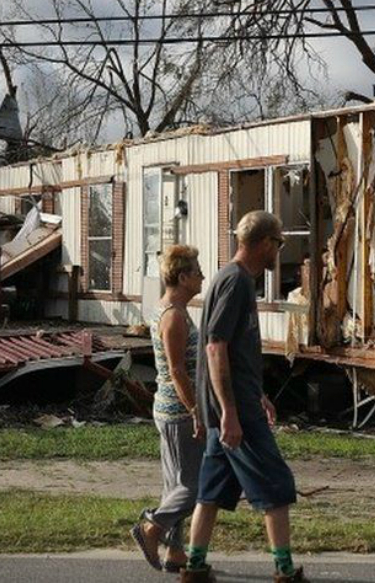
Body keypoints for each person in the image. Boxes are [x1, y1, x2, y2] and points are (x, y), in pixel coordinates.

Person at [181, 210, 306, 583]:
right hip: (235, 411)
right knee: (276, 486)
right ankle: (284, 570)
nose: (278, 251)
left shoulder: (231, 279)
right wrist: (231, 412)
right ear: (264, 243)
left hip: (237, 403)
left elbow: (234, 352)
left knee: (213, 491)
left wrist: (259, 393)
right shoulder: (235, 282)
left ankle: (194, 566)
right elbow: (216, 347)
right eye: (278, 243)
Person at [131, 244, 206, 573]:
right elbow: (177, 371)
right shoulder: (173, 316)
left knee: (176, 485)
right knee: (195, 487)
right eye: (198, 271)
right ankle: (151, 527)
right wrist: (195, 410)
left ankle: (175, 553)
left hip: (169, 408)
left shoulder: (172, 309)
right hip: (177, 412)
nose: (203, 277)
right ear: (184, 276)